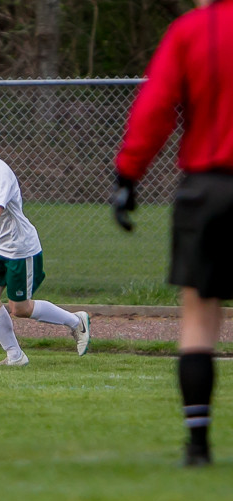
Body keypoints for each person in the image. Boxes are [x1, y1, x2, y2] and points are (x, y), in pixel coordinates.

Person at [113, 0, 233, 467]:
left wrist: (127, 175)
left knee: (199, 319)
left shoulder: (191, 30)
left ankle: (198, 445)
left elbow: (157, 106)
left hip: (207, 189)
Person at [0, 125, 90, 365]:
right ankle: (15, 355)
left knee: (20, 308)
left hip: (20, 247)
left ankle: (76, 322)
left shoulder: (1, 173)